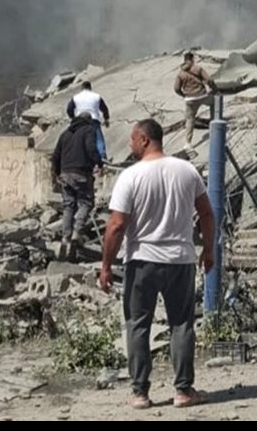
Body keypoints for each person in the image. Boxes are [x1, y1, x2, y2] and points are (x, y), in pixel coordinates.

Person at [99, 119, 216, 410]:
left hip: (142, 262)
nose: (129, 144)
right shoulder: (186, 171)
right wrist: (209, 250)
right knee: (182, 324)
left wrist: (105, 266)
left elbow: (116, 225)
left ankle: (140, 393)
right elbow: (207, 214)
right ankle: (183, 391)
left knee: (138, 325)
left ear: (144, 140)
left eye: (131, 139)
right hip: (180, 260)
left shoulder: (130, 176)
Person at [50, 113, 104, 259]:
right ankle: (76, 234)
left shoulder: (65, 133)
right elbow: (91, 149)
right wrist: (99, 163)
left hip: (65, 174)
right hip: (81, 173)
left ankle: (65, 239)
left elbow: (55, 155)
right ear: (88, 121)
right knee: (86, 203)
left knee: (68, 206)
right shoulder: (88, 130)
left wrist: (56, 173)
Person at [173, 52, 216, 149]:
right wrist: (214, 89)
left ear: (184, 60)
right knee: (214, 103)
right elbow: (209, 80)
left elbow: (176, 88)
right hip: (202, 95)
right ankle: (214, 126)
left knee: (190, 119)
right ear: (192, 59)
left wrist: (183, 94)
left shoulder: (180, 73)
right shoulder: (198, 68)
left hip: (190, 99)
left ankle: (188, 143)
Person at [67, 81, 111, 162]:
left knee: (79, 139)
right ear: (90, 88)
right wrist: (106, 119)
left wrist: (73, 118)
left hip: (80, 121)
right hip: (93, 120)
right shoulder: (96, 96)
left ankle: (80, 158)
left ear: (82, 88)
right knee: (98, 139)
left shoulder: (76, 97)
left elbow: (69, 109)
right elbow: (104, 109)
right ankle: (102, 156)